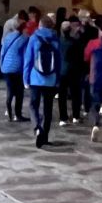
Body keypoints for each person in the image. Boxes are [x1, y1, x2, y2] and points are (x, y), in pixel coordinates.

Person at [23, 13, 61, 149]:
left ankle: (37, 127)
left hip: (35, 78)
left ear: (39, 25)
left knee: (33, 105)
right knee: (48, 109)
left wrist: (25, 78)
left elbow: (28, 60)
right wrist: (57, 79)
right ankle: (44, 137)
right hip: (51, 80)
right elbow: (58, 61)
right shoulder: (55, 39)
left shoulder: (34, 38)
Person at [58, 16, 85, 126]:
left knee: (62, 95)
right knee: (75, 95)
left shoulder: (58, 42)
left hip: (61, 71)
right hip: (74, 71)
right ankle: (76, 116)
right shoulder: (75, 42)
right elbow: (80, 58)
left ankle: (63, 118)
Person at [0, 19, 28, 122]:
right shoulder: (25, 38)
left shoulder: (8, 37)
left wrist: (2, 65)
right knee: (19, 92)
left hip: (6, 67)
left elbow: (2, 52)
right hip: (17, 67)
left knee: (10, 91)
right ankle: (18, 114)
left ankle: (9, 113)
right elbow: (25, 55)